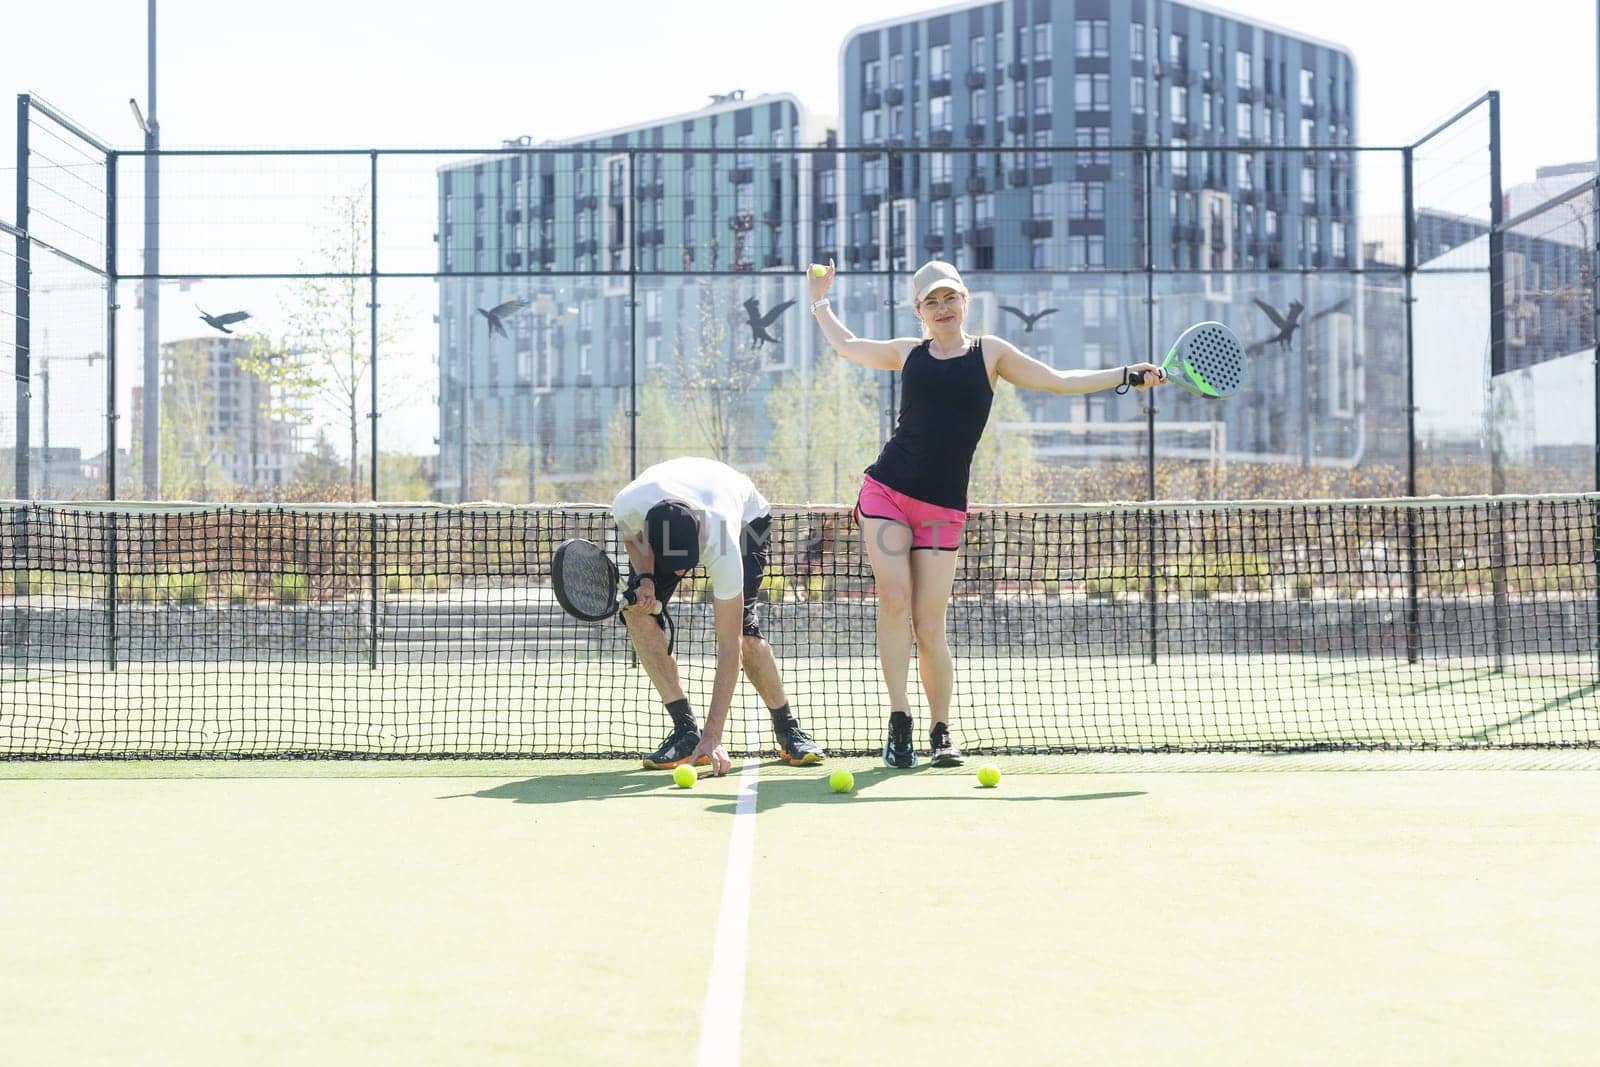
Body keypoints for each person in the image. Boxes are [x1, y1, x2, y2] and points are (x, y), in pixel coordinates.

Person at [807, 259, 1167, 768]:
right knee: (895, 598)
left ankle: (940, 730)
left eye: (949, 298)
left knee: (930, 624)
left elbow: (1060, 381)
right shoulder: (909, 354)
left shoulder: (990, 353)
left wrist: (1126, 373)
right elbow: (847, 345)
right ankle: (900, 721)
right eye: (931, 301)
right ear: (918, 311)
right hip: (886, 492)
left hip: (942, 508)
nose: (942, 308)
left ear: (965, 301)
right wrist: (820, 299)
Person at [612, 455, 825, 776]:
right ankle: (685, 733)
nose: (682, 573)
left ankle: (788, 730)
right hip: (677, 495)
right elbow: (633, 538)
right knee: (637, 613)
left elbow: (730, 645)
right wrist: (645, 579)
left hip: (748, 523)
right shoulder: (628, 505)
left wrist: (713, 736)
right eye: (675, 567)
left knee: (746, 633)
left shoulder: (721, 537)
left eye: (687, 564)